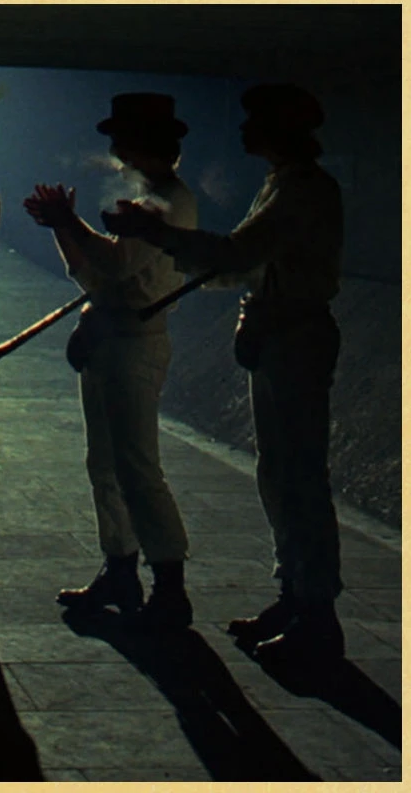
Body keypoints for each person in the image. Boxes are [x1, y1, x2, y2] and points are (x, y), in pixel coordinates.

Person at [101, 83, 345, 664]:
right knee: (277, 474)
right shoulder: (280, 183)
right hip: (277, 335)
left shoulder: (304, 190)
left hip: (295, 338)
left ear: (279, 130)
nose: (242, 130)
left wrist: (157, 234)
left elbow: (238, 254)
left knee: (299, 479)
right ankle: (294, 595)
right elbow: (245, 264)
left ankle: (318, 617)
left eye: (255, 121)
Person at [23, 93, 198, 631]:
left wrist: (69, 222)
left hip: (136, 343)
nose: (115, 150)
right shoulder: (146, 197)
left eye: (122, 139)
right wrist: (63, 227)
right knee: (104, 463)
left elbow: (118, 267)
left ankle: (169, 585)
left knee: (137, 466)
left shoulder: (168, 202)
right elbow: (95, 274)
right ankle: (120, 567)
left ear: (144, 143)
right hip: (110, 338)